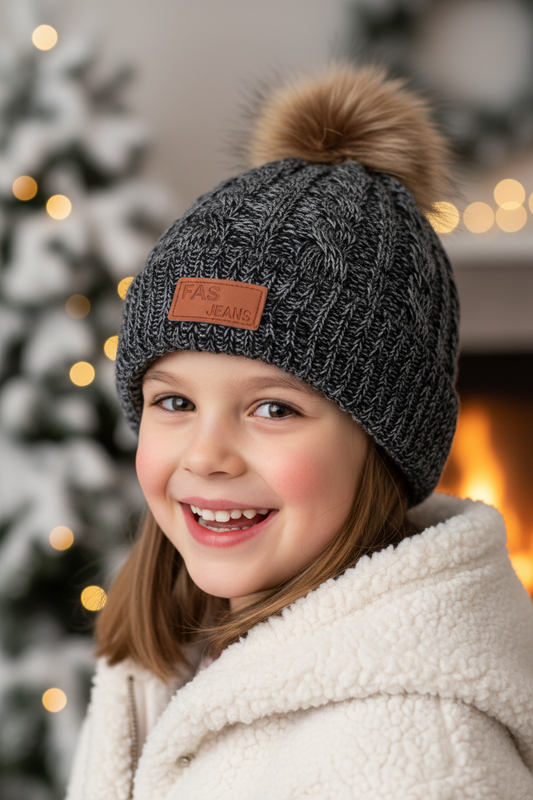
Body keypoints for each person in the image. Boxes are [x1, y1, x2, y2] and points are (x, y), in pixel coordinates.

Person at [65, 65, 533, 800]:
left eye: (273, 409)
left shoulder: (414, 762)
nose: (206, 456)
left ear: (382, 442)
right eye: (174, 402)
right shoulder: (171, 653)